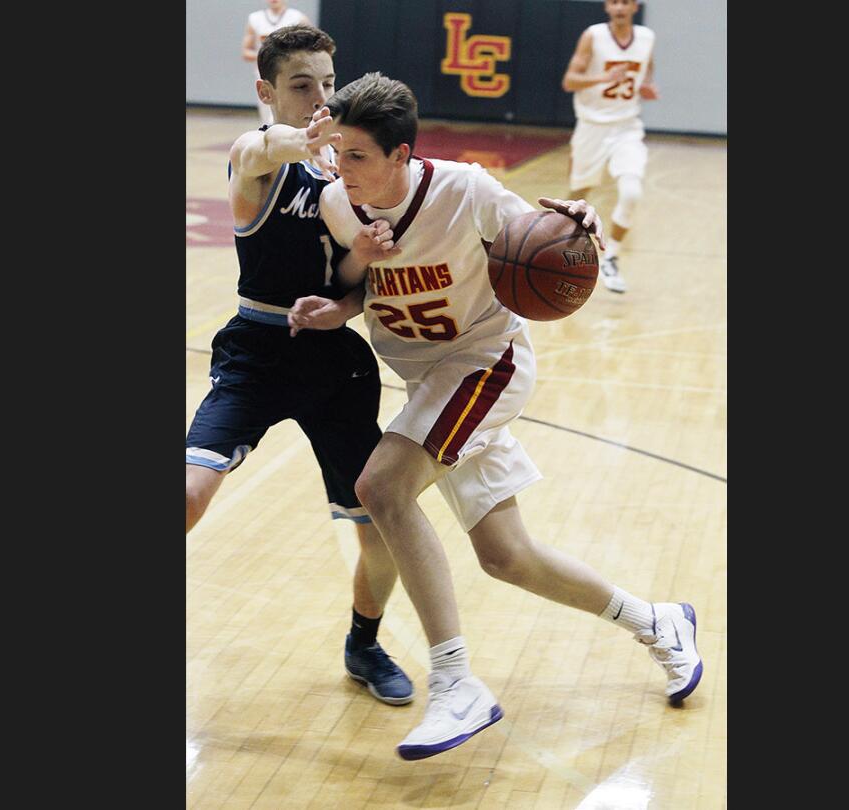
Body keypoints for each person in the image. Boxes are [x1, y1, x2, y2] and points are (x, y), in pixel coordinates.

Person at [288, 72, 701, 761]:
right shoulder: (338, 203)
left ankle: (456, 681)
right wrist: (334, 308)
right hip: (428, 381)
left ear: (402, 155)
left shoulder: (465, 190)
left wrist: (578, 226)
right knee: (507, 557)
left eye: (357, 155)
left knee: (381, 487)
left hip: (486, 361)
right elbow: (362, 289)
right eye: (337, 152)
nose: (342, 167)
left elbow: (544, 240)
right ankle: (659, 622)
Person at [186, 26, 413, 706]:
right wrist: (308, 137)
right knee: (190, 491)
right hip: (257, 347)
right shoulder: (257, 156)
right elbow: (268, 145)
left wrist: (363, 262)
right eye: (301, 85)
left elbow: (345, 278)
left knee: (381, 522)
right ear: (266, 91)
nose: (320, 97)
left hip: (334, 360)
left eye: (327, 83)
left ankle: (364, 644)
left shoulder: (350, 173)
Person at [560, 0, 658, 294]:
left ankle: (612, 257)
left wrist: (645, 86)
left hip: (627, 127)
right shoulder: (593, 35)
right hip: (592, 126)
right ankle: (556, 252)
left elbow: (647, 69)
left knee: (631, 191)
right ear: (606, 6)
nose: (619, 7)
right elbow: (569, 81)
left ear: (635, 6)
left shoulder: (647, 37)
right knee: (577, 197)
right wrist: (605, 77)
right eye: (614, 1)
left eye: (625, 2)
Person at [241, 1, 312, 125]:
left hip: (291, 73)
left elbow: (312, 46)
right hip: (264, 74)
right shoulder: (255, 18)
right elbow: (246, 52)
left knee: (288, 107)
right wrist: (267, 56)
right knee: (267, 113)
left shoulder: (298, 18)